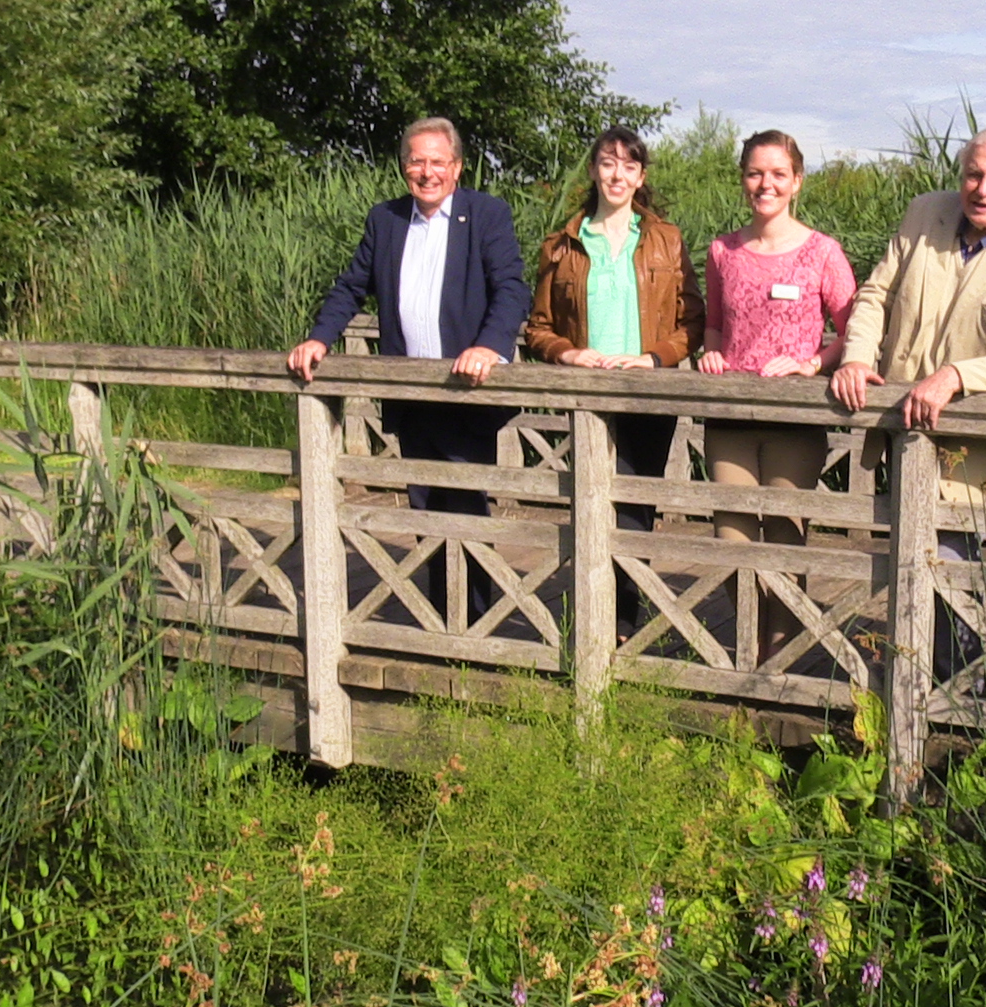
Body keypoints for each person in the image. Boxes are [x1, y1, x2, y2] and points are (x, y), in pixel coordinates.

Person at [831, 124, 986, 684]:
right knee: (909, 560)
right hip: (903, 432)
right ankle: (921, 681)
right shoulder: (923, 214)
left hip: (978, 454)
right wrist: (855, 357)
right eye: (973, 174)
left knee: (955, 565)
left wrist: (956, 377)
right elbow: (875, 295)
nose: (982, 188)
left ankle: (958, 691)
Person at [285, 116, 531, 623]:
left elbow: (511, 288)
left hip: (466, 390)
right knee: (423, 507)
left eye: (437, 161)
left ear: (457, 167)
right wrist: (318, 338)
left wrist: (489, 346)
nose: (427, 171)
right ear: (403, 168)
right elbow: (351, 286)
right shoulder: (387, 220)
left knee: (465, 507)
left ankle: (476, 623)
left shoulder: (485, 215)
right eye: (416, 161)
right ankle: (441, 618)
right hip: (409, 390)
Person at [525, 126, 706, 639]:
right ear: (594, 170)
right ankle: (589, 614)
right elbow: (537, 328)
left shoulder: (666, 241)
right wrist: (569, 352)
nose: (617, 175)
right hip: (587, 395)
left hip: (648, 391)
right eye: (608, 163)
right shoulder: (561, 245)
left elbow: (692, 322)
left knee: (634, 507)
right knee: (587, 501)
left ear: (641, 176)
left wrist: (654, 358)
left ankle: (622, 622)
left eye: (629, 165)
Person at [699, 129, 856, 660]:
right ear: (743, 179)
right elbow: (715, 326)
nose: (765, 184)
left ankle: (783, 664)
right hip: (730, 416)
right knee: (732, 542)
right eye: (755, 173)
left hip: (796, 417)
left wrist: (813, 363)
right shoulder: (722, 251)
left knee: (786, 542)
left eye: (777, 174)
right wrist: (712, 353)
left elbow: (855, 332)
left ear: (797, 182)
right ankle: (748, 652)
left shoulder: (822, 253)